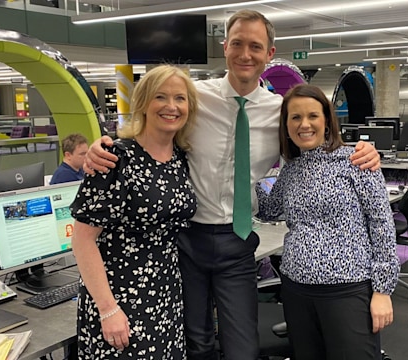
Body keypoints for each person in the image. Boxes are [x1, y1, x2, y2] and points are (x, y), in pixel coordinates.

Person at [85, 10, 382, 360]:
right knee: (195, 343)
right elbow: (151, 128)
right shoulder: (191, 98)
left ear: (269, 53)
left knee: (243, 348)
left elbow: (310, 143)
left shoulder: (280, 112)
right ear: (224, 48)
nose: (245, 54)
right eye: (237, 44)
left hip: (239, 242)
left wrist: (360, 149)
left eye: (255, 46)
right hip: (186, 240)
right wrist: (101, 145)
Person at [256, 84, 399, 359]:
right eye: (295, 117)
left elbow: (381, 224)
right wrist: (241, 174)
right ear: (286, 125)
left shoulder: (356, 160)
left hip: (347, 288)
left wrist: (383, 290)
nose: (304, 124)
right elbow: (269, 210)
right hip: (296, 288)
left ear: (327, 120)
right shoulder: (292, 169)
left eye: (313, 116)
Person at [69, 65, 198, 359]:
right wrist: (107, 309)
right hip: (119, 298)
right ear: (142, 103)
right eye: (160, 97)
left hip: (166, 296)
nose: (171, 106)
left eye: (180, 98)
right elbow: (82, 240)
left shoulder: (181, 158)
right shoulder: (115, 158)